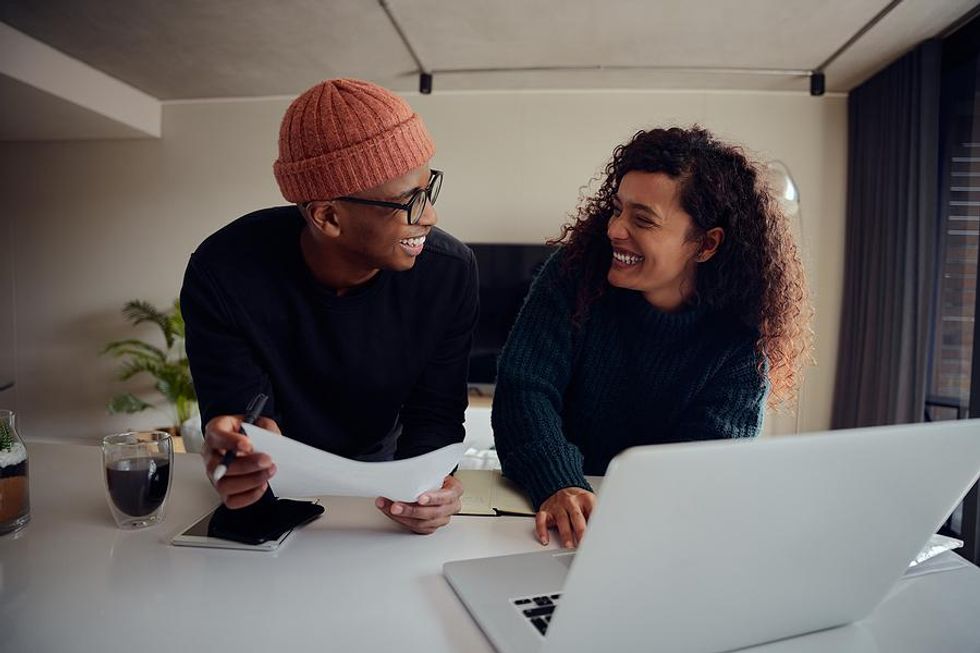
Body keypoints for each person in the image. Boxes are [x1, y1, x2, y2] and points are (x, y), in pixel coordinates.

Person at [492, 126, 813, 549]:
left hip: (658, 530)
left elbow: (706, 465)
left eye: (642, 219)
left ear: (706, 244)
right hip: (553, 516)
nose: (615, 230)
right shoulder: (570, 275)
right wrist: (558, 481)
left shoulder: (740, 341)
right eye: (617, 209)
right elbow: (525, 389)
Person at [180, 79, 478, 535]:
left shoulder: (449, 272)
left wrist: (430, 490)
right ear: (328, 216)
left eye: (428, 188)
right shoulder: (223, 272)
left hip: (384, 474)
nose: (431, 217)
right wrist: (238, 448)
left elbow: (435, 413)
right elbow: (236, 415)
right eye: (406, 203)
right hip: (277, 477)